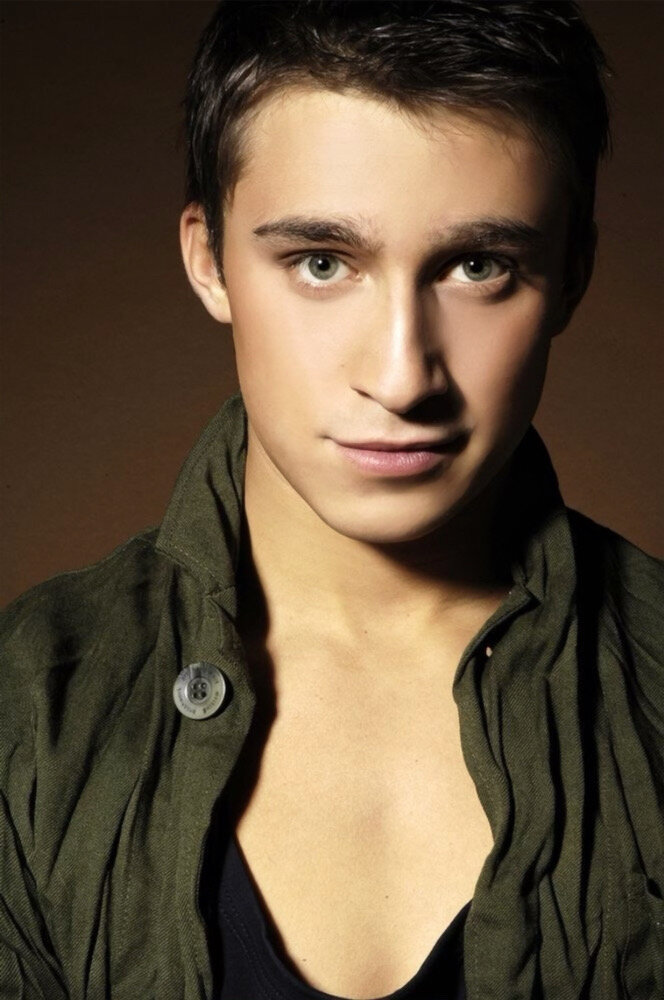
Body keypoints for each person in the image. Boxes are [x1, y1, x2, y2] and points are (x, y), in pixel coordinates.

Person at [1, 2, 662, 998]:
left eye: (478, 266)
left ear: (571, 272)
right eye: (321, 263)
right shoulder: (28, 709)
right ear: (209, 259)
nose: (401, 377)